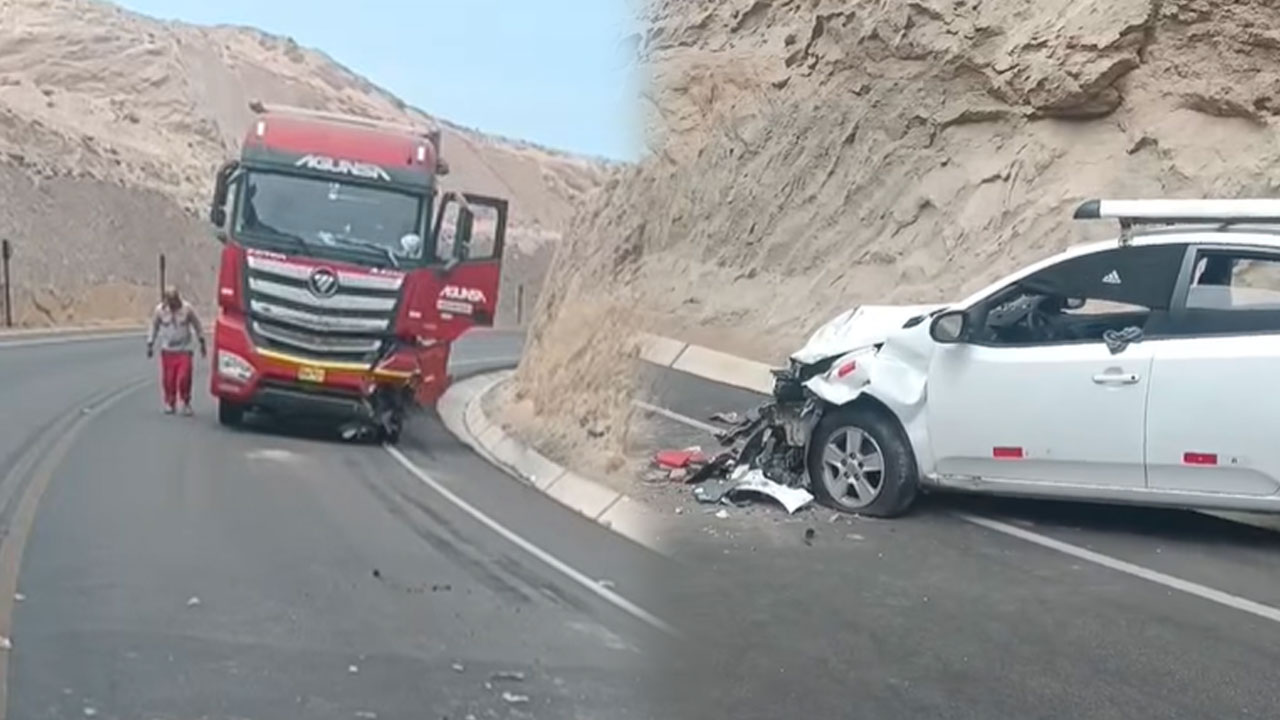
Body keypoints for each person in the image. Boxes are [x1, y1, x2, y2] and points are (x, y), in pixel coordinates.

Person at [146, 287, 207, 415]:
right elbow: (154, 326)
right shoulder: (160, 311)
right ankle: (170, 402)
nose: (173, 304)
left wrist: (202, 343)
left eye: (175, 300)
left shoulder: (187, 309)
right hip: (168, 350)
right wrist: (150, 343)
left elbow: (197, 325)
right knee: (169, 379)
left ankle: (185, 402)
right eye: (170, 301)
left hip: (184, 349)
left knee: (184, 377)